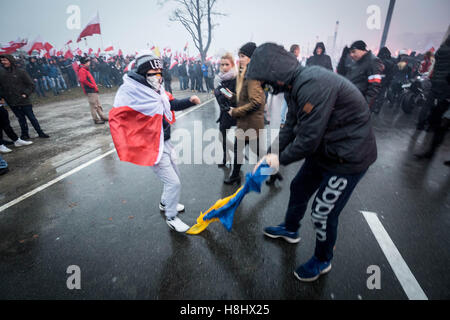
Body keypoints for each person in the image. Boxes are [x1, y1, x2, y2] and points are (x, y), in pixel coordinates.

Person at [246, 43, 377, 282]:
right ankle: (290, 229)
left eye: (266, 81)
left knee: (322, 213)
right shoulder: (294, 85)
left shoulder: (313, 84)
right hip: (326, 150)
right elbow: (291, 128)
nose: (266, 87)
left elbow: (307, 140)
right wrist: (269, 155)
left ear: (275, 73)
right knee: (299, 187)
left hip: (348, 157)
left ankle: (323, 259)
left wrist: (277, 160)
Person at [110, 52, 201, 232]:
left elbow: (171, 104)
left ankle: (165, 202)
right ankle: (171, 217)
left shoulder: (157, 90)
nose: (158, 76)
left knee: (176, 175)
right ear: (143, 73)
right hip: (152, 145)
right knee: (173, 182)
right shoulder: (131, 92)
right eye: (154, 72)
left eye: (160, 72)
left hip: (165, 141)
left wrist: (190, 101)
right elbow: (122, 117)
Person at [221, 42, 266, 185]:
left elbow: (256, 102)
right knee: (244, 150)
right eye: (239, 56)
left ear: (251, 58)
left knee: (252, 151)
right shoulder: (245, 74)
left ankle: (273, 173)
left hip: (250, 123)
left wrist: (235, 111)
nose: (240, 59)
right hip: (247, 123)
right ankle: (235, 175)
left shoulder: (252, 77)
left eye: (243, 56)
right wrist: (232, 96)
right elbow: (243, 98)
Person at [414, 34, 450, 162]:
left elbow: (436, 66)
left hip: (435, 83)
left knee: (429, 108)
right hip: (446, 87)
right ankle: (431, 134)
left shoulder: (441, 50)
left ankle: (421, 126)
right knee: (441, 117)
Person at [0, 54, 49, 140]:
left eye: (5, 60)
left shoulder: (21, 72)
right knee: (21, 119)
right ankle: (25, 134)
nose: (3, 62)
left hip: (24, 100)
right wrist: (3, 97)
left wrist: (25, 94)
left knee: (32, 118)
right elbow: (1, 87)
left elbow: (31, 85)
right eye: (2, 60)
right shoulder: (2, 74)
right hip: (12, 101)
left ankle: (40, 132)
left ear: (10, 61)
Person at [340, 40, 384, 110]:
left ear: (362, 50)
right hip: (349, 102)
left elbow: (374, 88)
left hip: (358, 105)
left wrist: (364, 107)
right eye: (350, 53)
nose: (351, 55)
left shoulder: (373, 61)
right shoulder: (358, 61)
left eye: (354, 51)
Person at [214, 53, 237, 168]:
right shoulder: (220, 79)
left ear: (232, 65)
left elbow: (238, 98)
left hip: (237, 112)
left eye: (227, 64)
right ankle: (226, 156)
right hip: (225, 112)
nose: (224, 67)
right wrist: (219, 93)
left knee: (243, 139)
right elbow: (219, 96)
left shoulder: (237, 79)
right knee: (221, 135)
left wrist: (226, 95)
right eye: (222, 64)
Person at [78, 57, 109, 124]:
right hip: (90, 90)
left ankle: (102, 116)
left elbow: (89, 79)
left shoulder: (86, 69)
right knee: (93, 106)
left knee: (98, 104)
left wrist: (95, 85)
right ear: (85, 62)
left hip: (93, 89)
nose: (89, 62)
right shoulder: (82, 70)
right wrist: (92, 86)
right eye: (88, 61)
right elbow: (83, 80)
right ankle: (96, 119)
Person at [372, 47, 395, 114]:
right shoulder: (391, 62)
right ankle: (377, 108)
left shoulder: (378, 60)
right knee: (381, 94)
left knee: (374, 93)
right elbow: (391, 73)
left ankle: (373, 107)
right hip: (385, 80)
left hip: (376, 79)